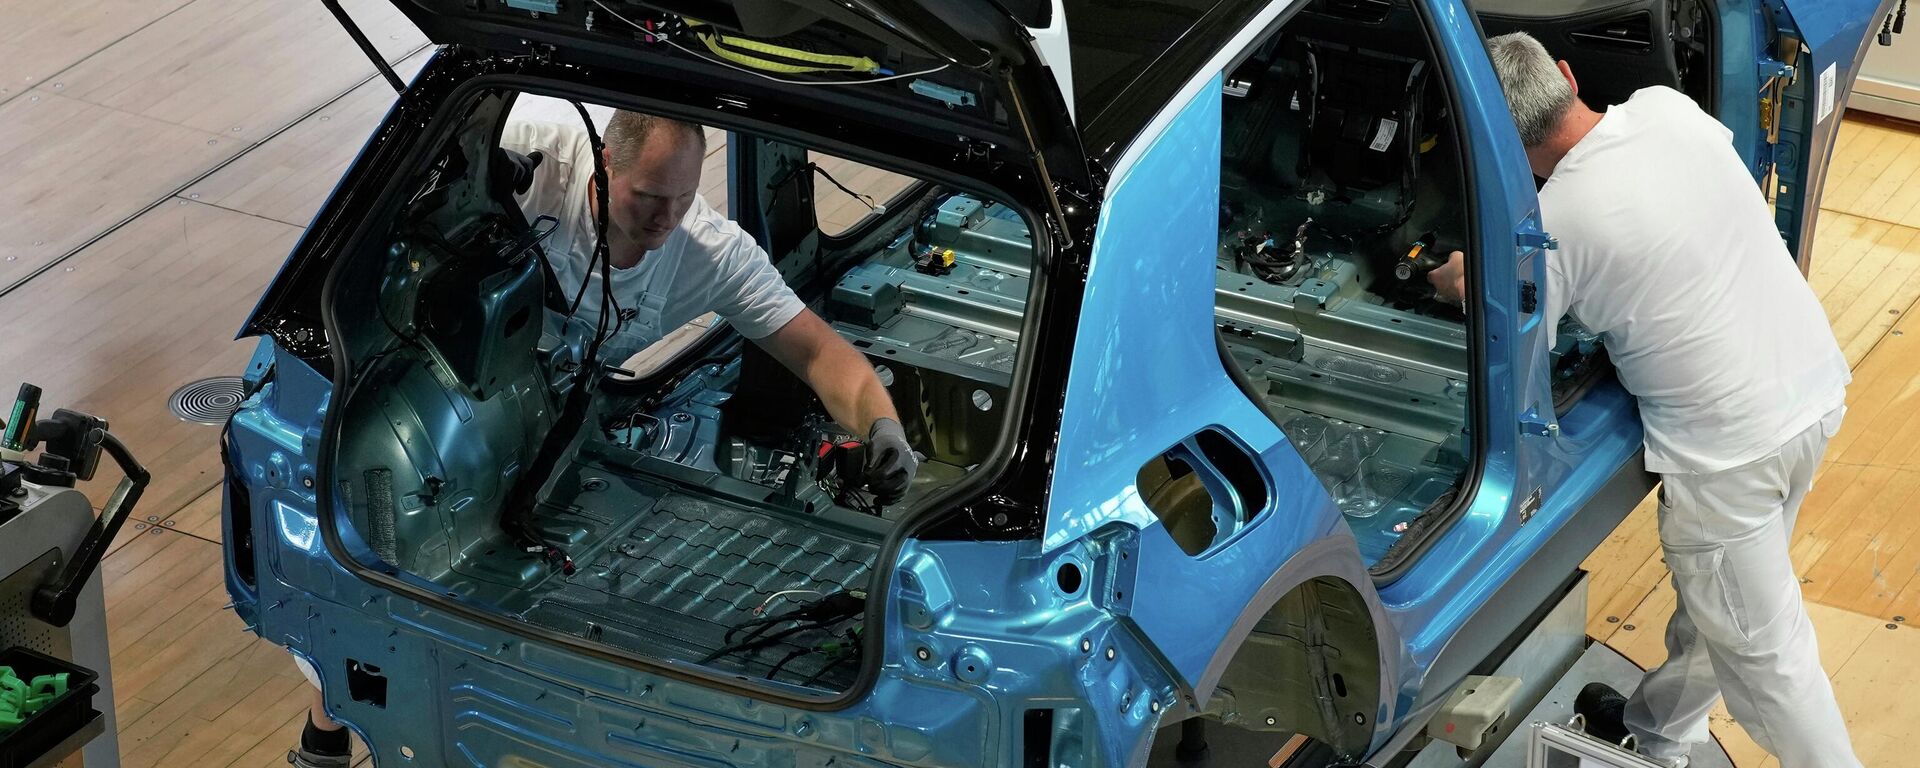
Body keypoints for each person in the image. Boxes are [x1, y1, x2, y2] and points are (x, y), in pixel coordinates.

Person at [287, 110, 917, 768]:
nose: (666, 219)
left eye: (683, 197)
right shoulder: (526, 156)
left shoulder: (709, 251)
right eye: (648, 197)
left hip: (550, 422)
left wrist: (883, 428)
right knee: (372, 582)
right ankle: (326, 730)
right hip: (444, 399)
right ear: (604, 164)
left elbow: (820, 354)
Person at [1425, 32, 1857, 768]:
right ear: (1567, 76)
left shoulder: (1551, 228)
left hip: (1729, 454)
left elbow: (1511, 325)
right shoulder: (1666, 108)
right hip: (1809, 390)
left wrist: (1466, 276)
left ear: (1493, 141)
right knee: (1723, 607)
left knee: (1769, 664)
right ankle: (1658, 738)